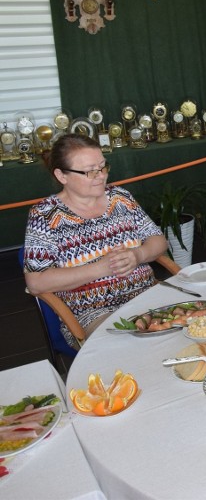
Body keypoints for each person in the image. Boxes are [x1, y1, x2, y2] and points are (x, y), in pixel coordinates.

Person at [23, 134, 168, 348]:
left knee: (200, 323)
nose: (101, 176)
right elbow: (36, 282)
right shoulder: (45, 215)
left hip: (147, 296)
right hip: (93, 313)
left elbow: (158, 241)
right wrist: (101, 268)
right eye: (90, 171)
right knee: (133, 346)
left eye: (103, 167)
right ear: (62, 175)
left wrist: (138, 255)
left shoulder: (120, 198)